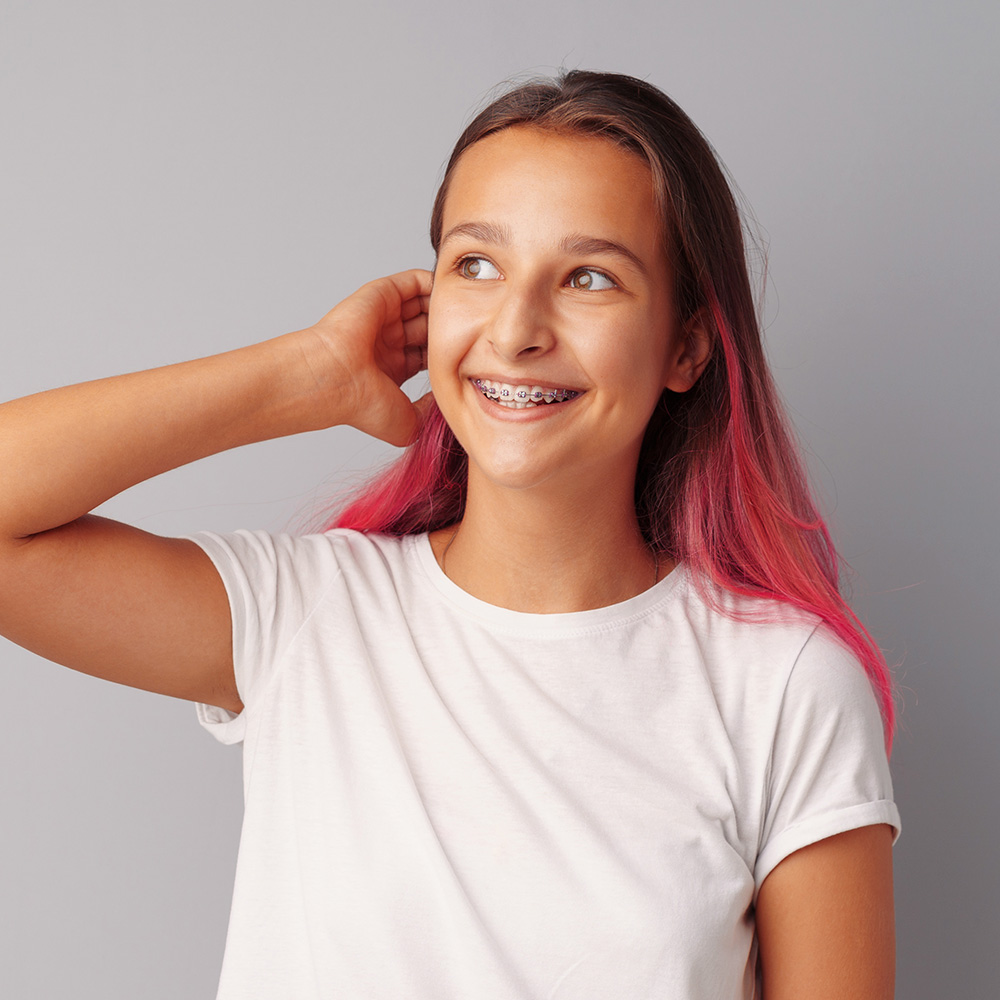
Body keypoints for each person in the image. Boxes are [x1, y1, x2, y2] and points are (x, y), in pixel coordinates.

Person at [0, 71, 900, 999]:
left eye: (589, 277)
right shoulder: (306, 618)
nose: (515, 331)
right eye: (477, 265)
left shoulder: (786, 685)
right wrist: (302, 372)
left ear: (688, 347)